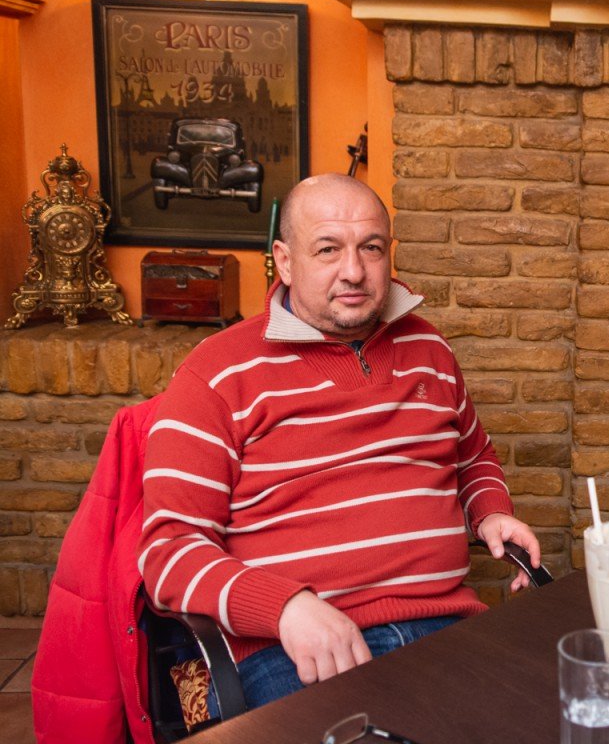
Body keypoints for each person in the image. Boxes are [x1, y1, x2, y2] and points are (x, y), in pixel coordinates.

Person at [138, 173, 540, 709]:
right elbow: (168, 552)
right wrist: (284, 609)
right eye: (328, 249)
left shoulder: (429, 348)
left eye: (371, 248)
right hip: (288, 650)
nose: (353, 271)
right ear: (285, 261)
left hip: (444, 628)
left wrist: (490, 511)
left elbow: (474, 458)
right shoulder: (215, 373)